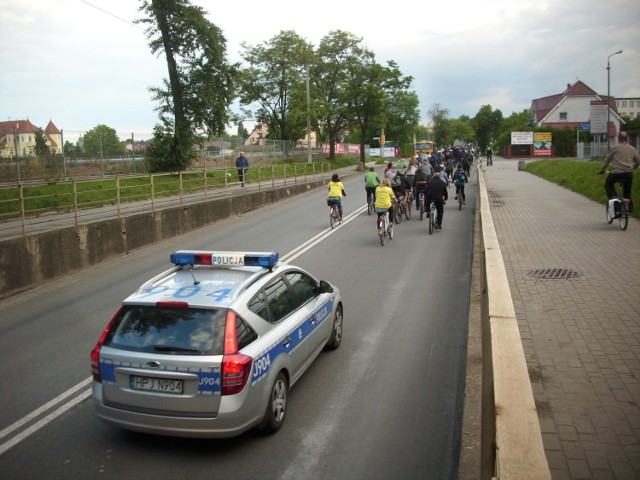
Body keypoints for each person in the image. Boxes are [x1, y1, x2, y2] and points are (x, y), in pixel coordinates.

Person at [599, 131, 640, 212]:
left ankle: (614, 198)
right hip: (628, 174)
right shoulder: (632, 149)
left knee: (608, 184)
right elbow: (638, 161)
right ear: (627, 138)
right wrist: (633, 167)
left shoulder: (615, 148)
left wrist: (602, 170)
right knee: (627, 191)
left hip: (616, 173)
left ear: (618, 138)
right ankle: (629, 208)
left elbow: (607, 160)